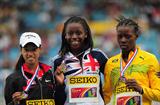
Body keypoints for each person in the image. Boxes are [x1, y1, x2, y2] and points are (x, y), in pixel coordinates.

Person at [51, 16, 108, 105]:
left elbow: (113, 81)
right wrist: (60, 85)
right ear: (65, 35)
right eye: (70, 33)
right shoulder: (58, 61)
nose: (74, 37)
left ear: (85, 34)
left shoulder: (98, 56)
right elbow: (57, 100)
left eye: (78, 33)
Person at [103, 16, 160, 105]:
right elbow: (107, 96)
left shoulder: (150, 59)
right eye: (120, 36)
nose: (123, 40)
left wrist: (141, 89)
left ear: (136, 36)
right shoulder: (110, 63)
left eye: (128, 36)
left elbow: (159, 94)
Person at [4, 32, 56, 105]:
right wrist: (15, 103)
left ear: (40, 49)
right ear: (21, 50)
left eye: (33, 49)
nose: (30, 54)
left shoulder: (50, 74)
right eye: (26, 50)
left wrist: (61, 84)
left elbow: (59, 99)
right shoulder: (12, 79)